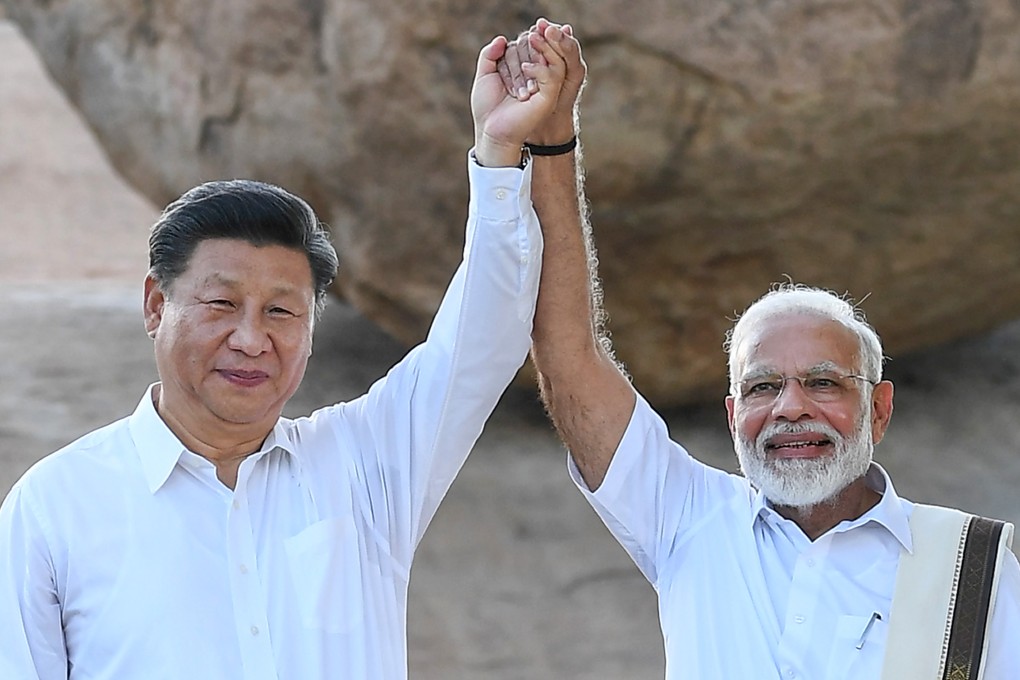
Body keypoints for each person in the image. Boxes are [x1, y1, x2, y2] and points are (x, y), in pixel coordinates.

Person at [0, 25, 567, 680]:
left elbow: (482, 343)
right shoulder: (58, 505)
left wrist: (499, 150)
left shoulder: (364, 464)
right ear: (156, 306)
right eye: (220, 304)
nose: (251, 338)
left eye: (280, 311)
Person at [507, 19, 1020, 679]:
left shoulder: (974, 568)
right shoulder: (690, 520)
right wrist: (551, 141)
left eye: (825, 382)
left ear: (880, 408)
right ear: (732, 415)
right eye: (762, 387)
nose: (790, 408)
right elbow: (569, 357)